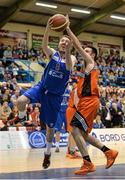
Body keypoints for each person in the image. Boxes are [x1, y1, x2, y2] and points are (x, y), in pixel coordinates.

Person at [17, 17, 77, 169]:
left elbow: (69, 67)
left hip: (55, 97)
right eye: (62, 41)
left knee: (50, 129)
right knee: (20, 101)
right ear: (58, 44)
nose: (64, 42)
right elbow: (44, 45)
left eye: (66, 41)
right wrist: (47, 29)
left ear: (69, 45)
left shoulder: (72, 57)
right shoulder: (53, 54)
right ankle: (22, 117)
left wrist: (69, 49)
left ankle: (48, 153)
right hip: (41, 88)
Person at [65, 17, 118, 175]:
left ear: (93, 55)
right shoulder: (84, 71)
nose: (84, 53)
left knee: (74, 129)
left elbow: (77, 46)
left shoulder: (91, 63)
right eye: (85, 51)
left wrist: (67, 28)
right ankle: (109, 152)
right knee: (83, 134)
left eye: (88, 51)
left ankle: (87, 163)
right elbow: (70, 65)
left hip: (89, 102)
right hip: (86, 103)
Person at [54, 86, 70, 153]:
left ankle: (70, 146)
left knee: (70, 130)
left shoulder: (69, 91)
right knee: (58, 129)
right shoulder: (57, 89)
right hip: (59, 112)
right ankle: (57, 146)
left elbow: (70, 101)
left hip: (67, 111)